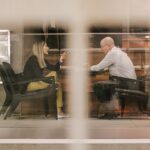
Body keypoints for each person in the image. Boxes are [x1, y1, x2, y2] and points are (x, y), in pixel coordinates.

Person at [90, 36, 137, 119]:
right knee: (106, 85)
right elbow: (107, 66)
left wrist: (88, 68)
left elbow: (98, 67)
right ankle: (112, 111)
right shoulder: (118, 52)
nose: (101, 50)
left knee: (97, 86)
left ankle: (110, 112)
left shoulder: (112, 53)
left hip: (124, 82)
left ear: (108, 45)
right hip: (130, 82)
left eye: (102, 47)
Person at [22, 41, 67, 118]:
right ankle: (59, 111)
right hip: (29, 84)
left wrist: (60, 59)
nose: (48, 48)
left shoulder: (41, 59)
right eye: (46, 46)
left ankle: (59, 111)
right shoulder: (33, 59)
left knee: (54, 74)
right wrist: (51, 82)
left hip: (36, 82)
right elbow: (38, 76)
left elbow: (54, 68)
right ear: (40, 48)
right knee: (57, 85)